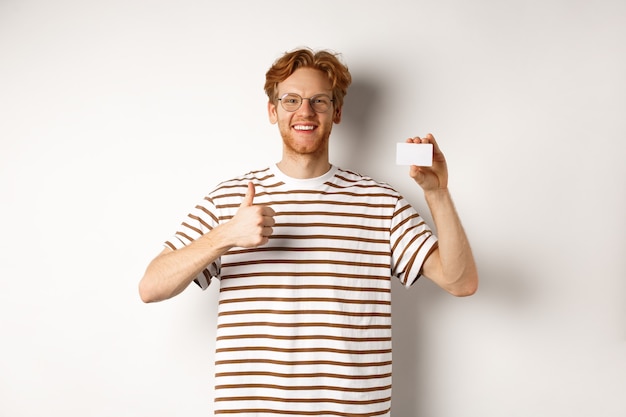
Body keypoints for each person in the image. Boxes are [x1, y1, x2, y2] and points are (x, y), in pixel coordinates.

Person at [139, 47, 478, 417]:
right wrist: (225, 236)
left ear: (337, 111)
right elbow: (151, 286)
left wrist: (437, 194)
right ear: (273, 111)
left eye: (319, 100)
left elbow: (460, 282)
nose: (305, 111)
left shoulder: (381, 203)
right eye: (291, 100)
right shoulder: (230, 200)